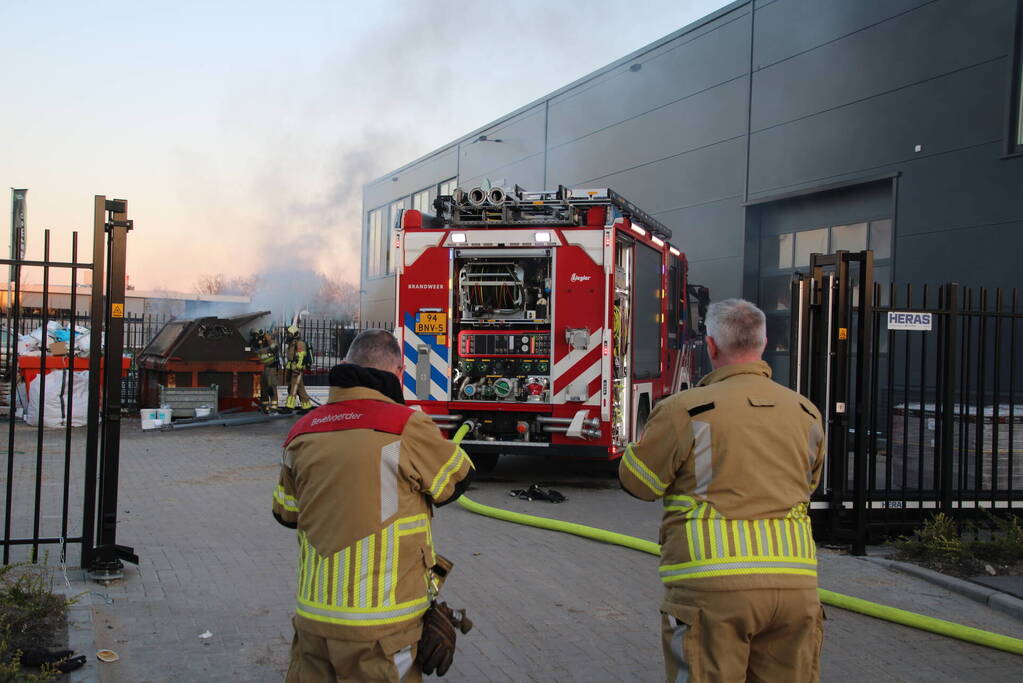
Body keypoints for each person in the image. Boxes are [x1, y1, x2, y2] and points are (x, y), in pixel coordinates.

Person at [619, 298, 826, 683]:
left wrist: (639, 443)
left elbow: (639, 484)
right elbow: (809, 483)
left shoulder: (686, 410)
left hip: (713, 587)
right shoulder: (806, 412)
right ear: (762, 344)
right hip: (796, 586)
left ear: (711, 346)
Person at [273, 328, 474, 682]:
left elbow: (286, 513)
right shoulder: (405, 426)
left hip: (313, 623)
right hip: (381, 630)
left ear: (345, 366)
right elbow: (457, 480)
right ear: (397, 374)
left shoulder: (301, 432)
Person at [282, 325, 314, 414]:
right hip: (293, 369)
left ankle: (289, 407)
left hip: (297, 370)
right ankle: (306, 407)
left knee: (294, 388)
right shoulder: (292, 344)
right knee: (300, 388)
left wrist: (298, 368)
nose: (287, 335)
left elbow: (301, 357)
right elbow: (291, 358)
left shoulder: (299, 343)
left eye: (288, 334)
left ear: (294, 334)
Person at [252, 328, 281, 414]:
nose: (257, 337)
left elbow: (275, 348)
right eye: (255, 335)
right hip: (262, 368)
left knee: (271, 386)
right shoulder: (257, 344)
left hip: (271, 368)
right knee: (263, 387)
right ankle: (265, 406)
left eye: (257, 335)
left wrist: (268, 339)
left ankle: (274, 406)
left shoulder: (270, 341)